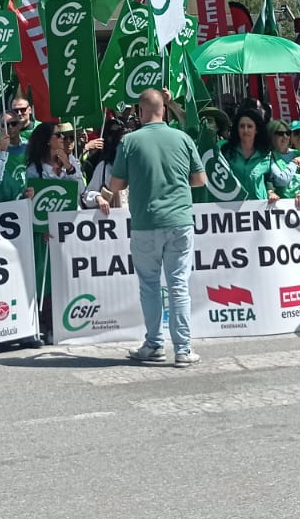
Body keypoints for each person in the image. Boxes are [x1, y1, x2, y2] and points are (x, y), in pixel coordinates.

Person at [98, 89, 205, 366]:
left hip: (146, 222)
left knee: (149, 285)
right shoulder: (182, 138)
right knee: (178, 285)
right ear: (164, 109)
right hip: (179, 220)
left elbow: (117, 185)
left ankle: (154, 344)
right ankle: (183, 349)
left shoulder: (130, 141)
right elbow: (199, 180)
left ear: (140, 111)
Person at [219, 108, 274, 201]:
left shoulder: (266, 154)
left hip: (258, 207)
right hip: (232, 206)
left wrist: (271, 192)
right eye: (242, 126)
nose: (245, 130)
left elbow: (269, 179)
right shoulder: (226, 151)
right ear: (237, 129)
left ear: (256, 130)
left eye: (249, 126)